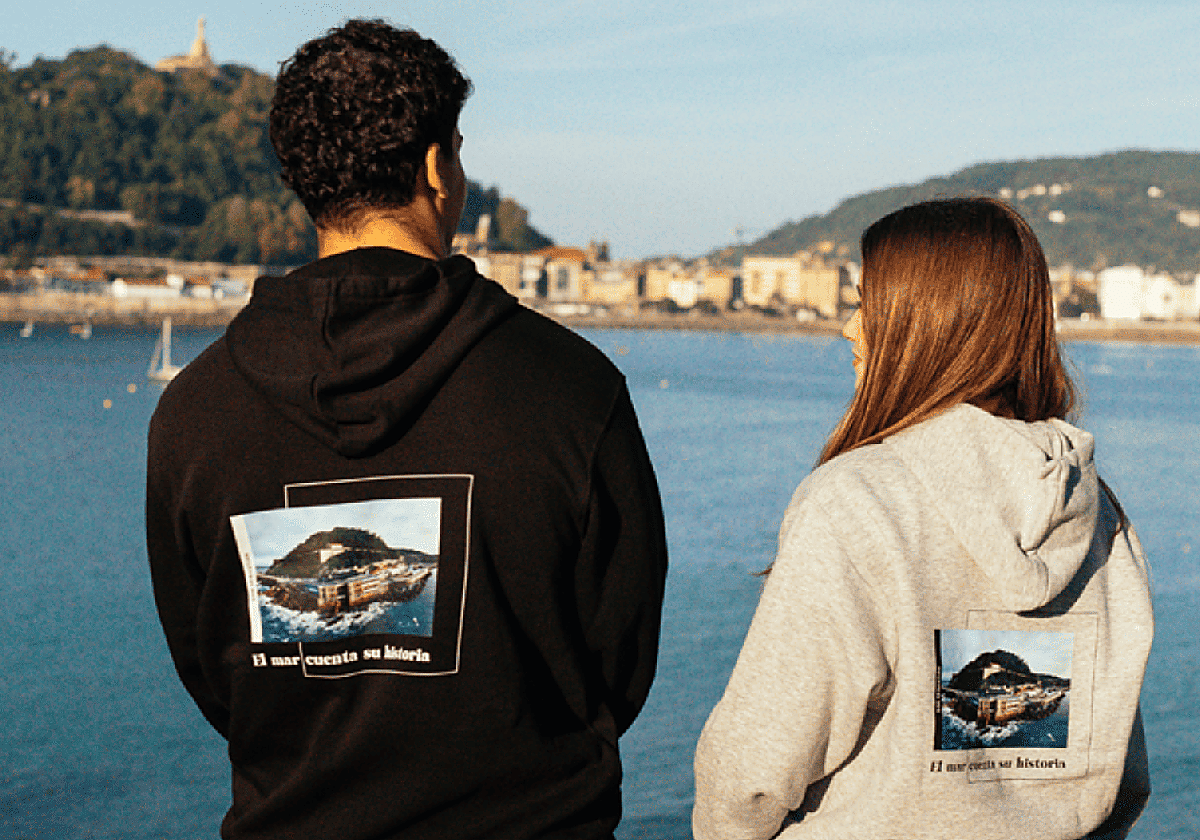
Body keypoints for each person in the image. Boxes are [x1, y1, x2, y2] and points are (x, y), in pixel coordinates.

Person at [146, 19, 668, 840]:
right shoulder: (572, 388)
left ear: (302, 177)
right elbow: (620, 656)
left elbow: (211, 665)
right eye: (457, 150)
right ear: (434, 167)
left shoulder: (196, 409)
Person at [693, 197, 1152, 840]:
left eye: (867, 305)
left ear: (926, 325)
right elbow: (1120, 773)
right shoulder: (1097, 512)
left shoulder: (858, 501)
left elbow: (754, 766)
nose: (848, 328)